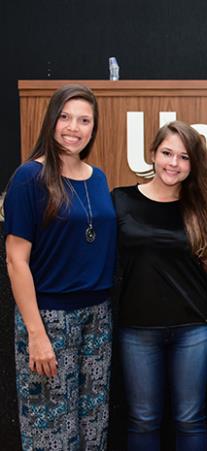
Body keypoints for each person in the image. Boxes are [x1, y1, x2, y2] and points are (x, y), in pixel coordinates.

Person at [4, 84, 116, 450]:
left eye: (84, 120)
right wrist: (36, 335)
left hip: (97, 316)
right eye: (65, 117)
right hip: (49, 317)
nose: (74, 127)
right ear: (51, 121)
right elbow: (16, 260)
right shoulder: (28, 178)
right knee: (49, 429)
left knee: (93, 424)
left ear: (93, 127)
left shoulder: (98, 178)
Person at [111, 121, 207, 450]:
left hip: (193, 328)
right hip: (137, 329)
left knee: (190, 419)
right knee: (143, 419)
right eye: (167, 153)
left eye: (184, 157)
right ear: (153, 155)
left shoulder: (201, 207)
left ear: (194, 163)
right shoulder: (121, 200)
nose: (174, 163)